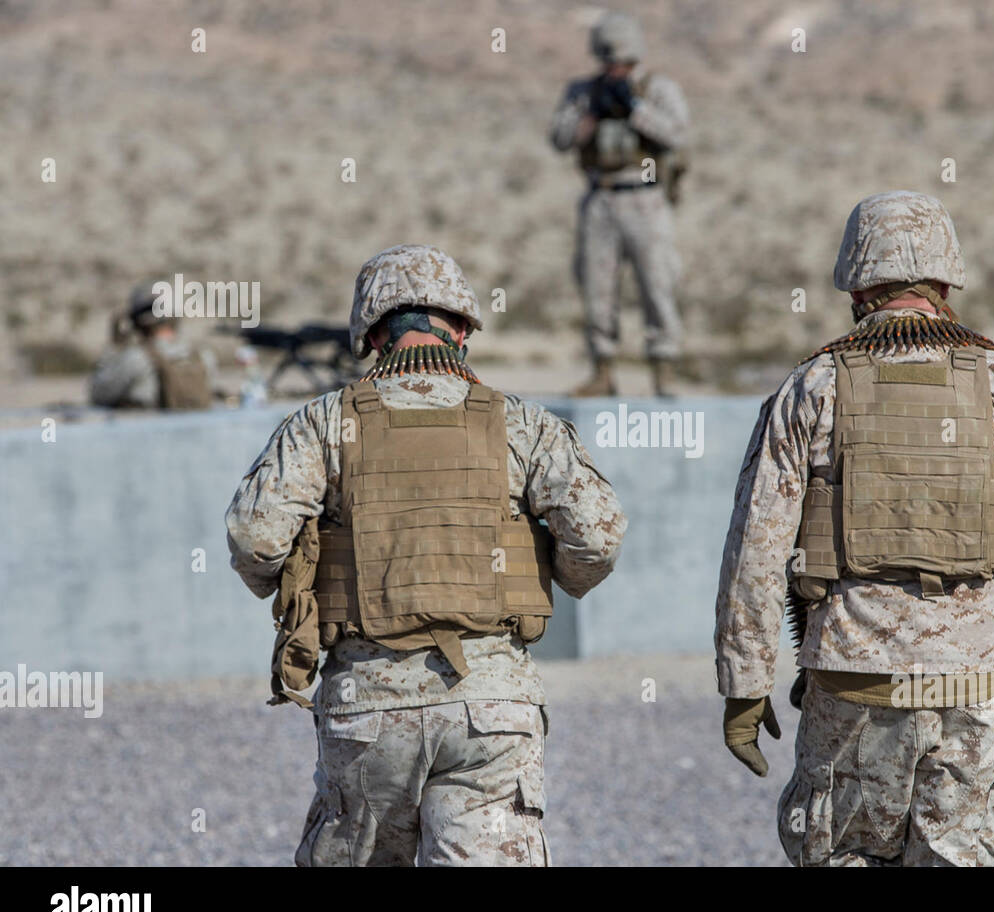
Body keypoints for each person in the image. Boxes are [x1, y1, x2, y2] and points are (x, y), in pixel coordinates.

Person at [713, 191, 994, 866]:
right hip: (977, 692)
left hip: (851, 692)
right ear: (946, 282)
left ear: (854, 283)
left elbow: (754, 548)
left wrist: (743, 686)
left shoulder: (810, 389)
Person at [225, 244, 627, 866]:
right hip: (490, 708)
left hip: (367, 708)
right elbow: (597, 539)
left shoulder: (324, 423)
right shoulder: (521, 423)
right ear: (461, 328)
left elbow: (256, 538)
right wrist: (551, 576)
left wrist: (294, 584)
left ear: (372, 333)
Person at [549, 11, 689, 397]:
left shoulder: (657, 89)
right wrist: (591, 113)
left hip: (645, 197)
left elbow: (677, 134)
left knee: (657, 284)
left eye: (623, 60)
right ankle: (602, 370)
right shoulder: (582, 92)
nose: (615, 67)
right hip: (601, 198)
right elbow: (560, 138)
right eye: (610, 59)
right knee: (597, 289)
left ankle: (664, 370)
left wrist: (635, 111)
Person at [89, 284, 215, 409]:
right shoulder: (203, 356)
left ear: (136, 321)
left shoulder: (135, 359)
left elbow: (98, 395)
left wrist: (113, 347)